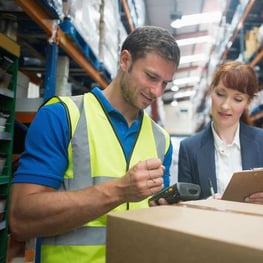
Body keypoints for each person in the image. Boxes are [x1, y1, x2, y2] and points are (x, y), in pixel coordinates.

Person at [9, 26, 181, 263]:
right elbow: (21, 220)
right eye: (151, 77)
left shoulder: (162, 139)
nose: (157, 91)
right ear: (125, 60)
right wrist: (120, 190)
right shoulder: (63, 116)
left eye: (165, 83)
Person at [178, 61, 263, 207]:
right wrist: (204, 206)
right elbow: (184, 208)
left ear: (247, 102)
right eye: (220, 94)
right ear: (211, 91)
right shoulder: (189, 148)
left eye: (237, 99)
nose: (225, 106)